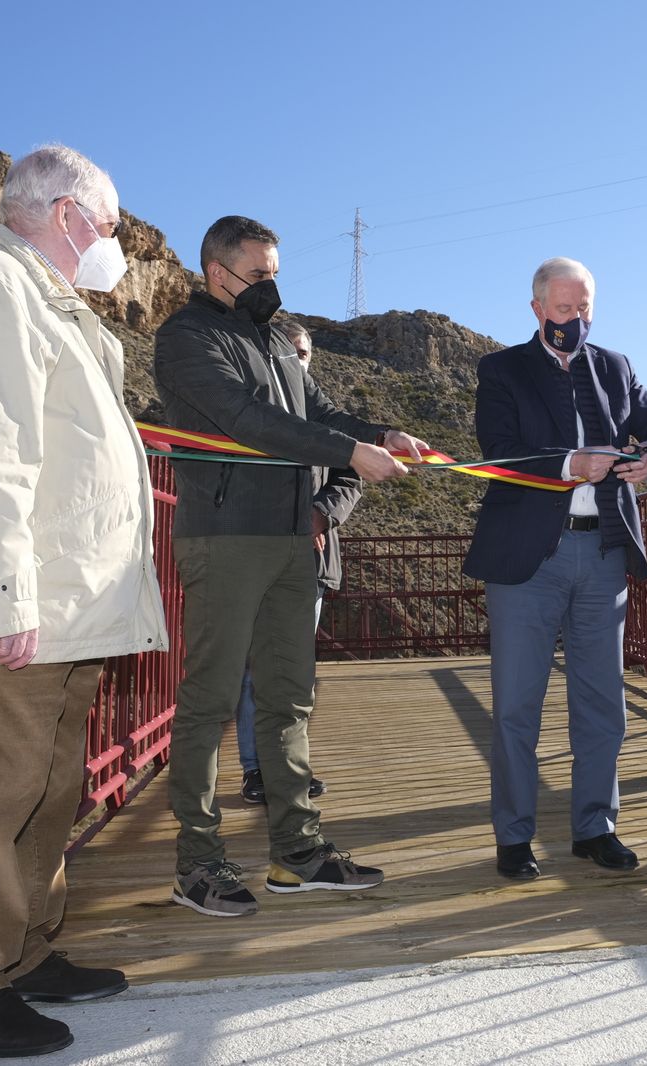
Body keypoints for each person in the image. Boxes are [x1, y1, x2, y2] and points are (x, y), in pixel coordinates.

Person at [0, 145, 166, 1057]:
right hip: (23, 609)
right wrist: (1, 598)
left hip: (66, 607)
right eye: (110, 224)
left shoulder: (48, 304)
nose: (115, 243)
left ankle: (22, 952)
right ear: (67, 215)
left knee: (48, 790)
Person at [154, 216, 426, 917]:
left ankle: (297, 854)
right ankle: (198, 862)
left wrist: (379, 433)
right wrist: (349, 453)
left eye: (275, 273)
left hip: (290, 541)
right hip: (225, 539)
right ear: (218, 273)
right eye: (259, 274)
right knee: (211, 700)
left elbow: (319, 409)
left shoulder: (276, 339)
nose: (271, 287)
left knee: (288, 697)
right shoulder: (186, 338)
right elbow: (248, 419)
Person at [464, 257, 647, 880]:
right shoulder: (501, 369)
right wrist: (570, 465)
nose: (576, 319)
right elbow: (499, 452)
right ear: (537, 309)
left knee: (602, 702)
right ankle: (514, 837)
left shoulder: (615, 366)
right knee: (517, 704)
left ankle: (596, 827)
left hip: (605, 551)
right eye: (564, 309)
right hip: (529, 556)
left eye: (584, 308)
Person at [235, 321, 362, 805]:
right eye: (286, 352)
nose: (296, 360)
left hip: (311, 560)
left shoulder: (325, 417)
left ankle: (289, 768)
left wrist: (321, 513)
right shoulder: (247, 410)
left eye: (302, 353)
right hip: (254, 556)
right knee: (255, 669)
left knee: (293, 671)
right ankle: (256, 769)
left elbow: (351, 477)